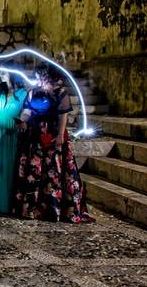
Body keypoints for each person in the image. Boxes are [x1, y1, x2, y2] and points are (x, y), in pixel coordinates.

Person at [14, 65, 95, 223]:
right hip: (36, 135)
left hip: (53, 134)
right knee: (35, 170)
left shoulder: (60, 92)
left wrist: (60, 135)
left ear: (47, 77)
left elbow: (63, 114)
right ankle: (33, 208)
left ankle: (55, 208)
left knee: (54, 169)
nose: (36, 79)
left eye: (39, 76)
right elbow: (27, 110)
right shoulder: (33, 92)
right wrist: (23, 121)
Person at [0, 71, 28, 214]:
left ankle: (7, 204)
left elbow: (25, 112)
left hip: (11, 133)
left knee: (9, 167)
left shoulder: (23, 92)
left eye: (3, 72)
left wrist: (22, 122)